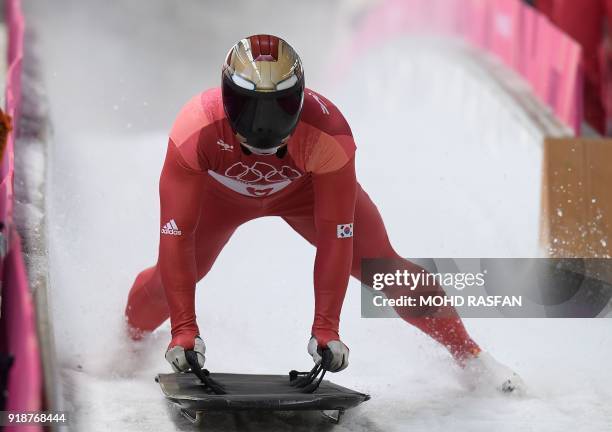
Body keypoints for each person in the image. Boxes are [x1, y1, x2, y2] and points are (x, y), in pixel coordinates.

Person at [125, 34, 522, 391]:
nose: (263, 127)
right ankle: (125, 345)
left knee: (383, 267)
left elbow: (337, 238)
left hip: (304, 192)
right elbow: (176, 236)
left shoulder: (329, 135)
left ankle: (471, 356)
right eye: (250, 110)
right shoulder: (195, 129)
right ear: (227, 98)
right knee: (171, 279)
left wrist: (326, 329)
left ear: (298, 100)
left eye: (277, 110)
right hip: (221, 195)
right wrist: (183, 330)